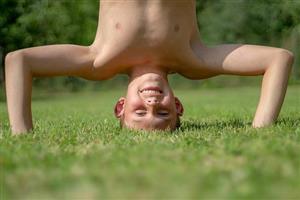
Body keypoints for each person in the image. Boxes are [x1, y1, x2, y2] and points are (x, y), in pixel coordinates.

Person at [5, 0, 294, 134]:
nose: (152, 102)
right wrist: (261, 130)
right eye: (163, 112)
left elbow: (19, 61)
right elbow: (279, 58)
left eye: (140, 111)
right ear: (178, 105)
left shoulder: (99, 60)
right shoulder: (194, 59)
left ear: (120, 107)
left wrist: (21, 134)